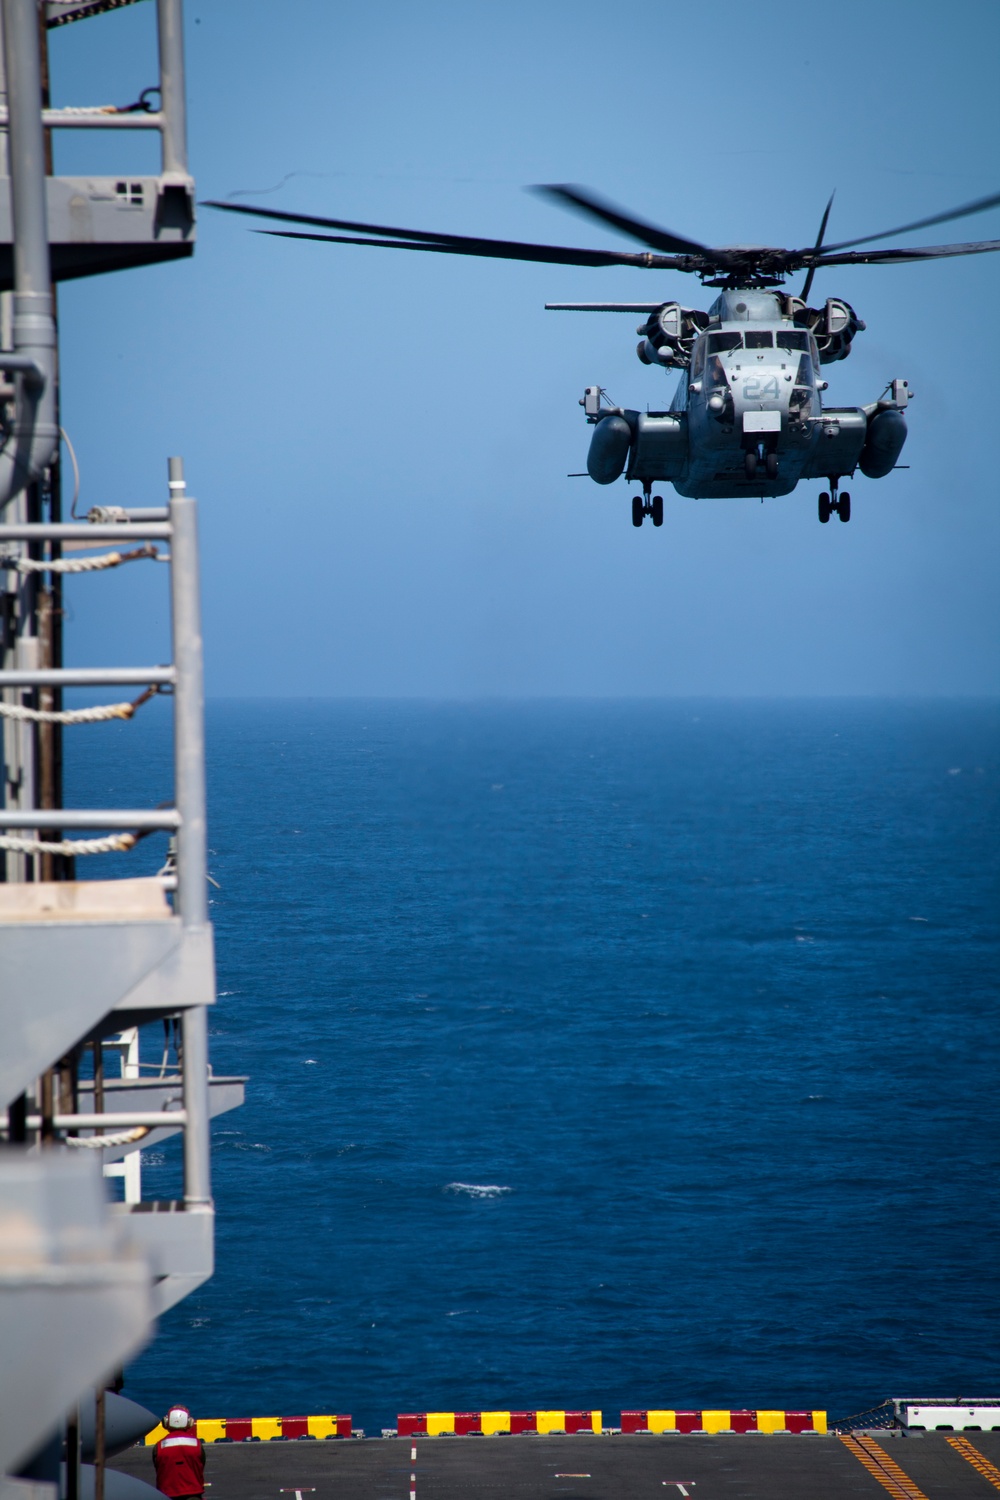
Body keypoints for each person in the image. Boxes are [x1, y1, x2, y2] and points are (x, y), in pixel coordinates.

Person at [152, 1406, 205, 1499]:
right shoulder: (197, 1445)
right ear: (189, 1422)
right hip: (193, 1494)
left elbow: (158, 1467)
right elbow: (201, 1465)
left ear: (166, 1422)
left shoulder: (159, 1446)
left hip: (166, 1494)